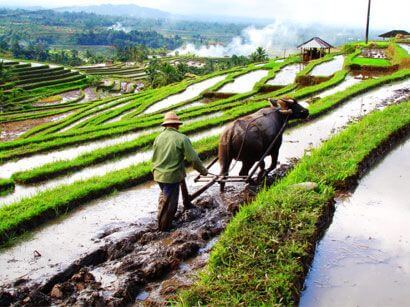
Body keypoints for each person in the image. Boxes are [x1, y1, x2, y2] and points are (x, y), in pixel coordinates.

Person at [152, 111, 208, 231]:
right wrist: (203, 171)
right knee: (171, 203)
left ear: (166, 125)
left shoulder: (158, 138)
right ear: (177, 125)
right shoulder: (182, 138)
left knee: (165, 198)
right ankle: (165, 228)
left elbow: (155, 156)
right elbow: (193, 158)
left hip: (158, 175)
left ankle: (162, 221)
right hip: (171, 176)